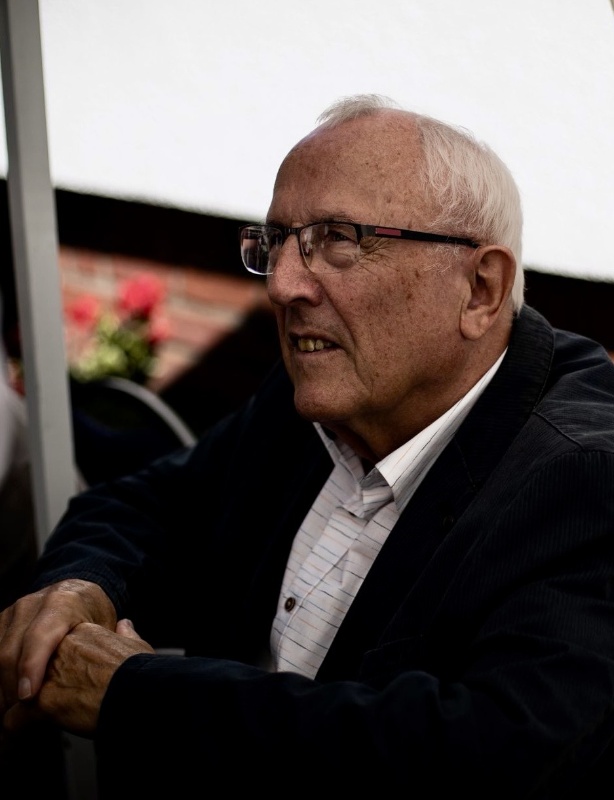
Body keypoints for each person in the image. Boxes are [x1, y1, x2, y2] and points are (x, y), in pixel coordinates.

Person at [1, 93, 614, 798]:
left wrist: (137, 696)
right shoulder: (327, 394)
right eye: (277, 242)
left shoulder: (585, 479)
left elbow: (485, 759)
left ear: (480, 288)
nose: (284, 285)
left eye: (339, 240)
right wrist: (80, 590)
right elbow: (149, 506)